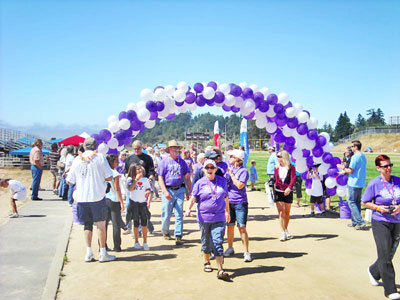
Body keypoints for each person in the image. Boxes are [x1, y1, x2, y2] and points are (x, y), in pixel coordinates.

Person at [66, 137, 116, 262]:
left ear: (84, 146)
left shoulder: (77, 159)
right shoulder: (99, 157)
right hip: (97, 196)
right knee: (101, 225)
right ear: (95, 147)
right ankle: (103, 253)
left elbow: (69, 181)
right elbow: (109, 176)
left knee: (87, 225)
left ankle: (88, 252)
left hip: (82, 197)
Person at [185, 159, 231, 281]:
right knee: (206, 242)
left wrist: (227, 212)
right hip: (204, 217)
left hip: (219, 217)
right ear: (204, 170)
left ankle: (220, 269)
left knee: (217, 241)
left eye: (212, 167)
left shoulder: (222, 181)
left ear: (216, 169)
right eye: (207, 168)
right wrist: (188, 209)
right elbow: (194, 197)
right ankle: (207, 262)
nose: (209, 170)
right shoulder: (199, 183)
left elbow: (226, 198)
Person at [362, 155, 400, 300]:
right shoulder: (374, 184)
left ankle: (373, 271)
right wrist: (378, 208)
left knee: (389, 253)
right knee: (384, 252)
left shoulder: (397, 181)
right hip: (381, 221)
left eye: (390, 165)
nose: (389, 168)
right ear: (378, 168)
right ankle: (390, 290)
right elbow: (365, 201)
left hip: (397, 221)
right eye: (385, 166)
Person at [157, 140, 192, 245]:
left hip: (180, 189)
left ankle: (178, 235)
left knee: (179, 213)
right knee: (166, 214)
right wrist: (165, 191)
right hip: (168, 190)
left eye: (177, 148)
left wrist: (189, 191)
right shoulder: (164, 162)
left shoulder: (182, 162)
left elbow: (187, 176)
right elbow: (160, 177)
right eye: (174, 148)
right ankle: (166, 231)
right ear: (169, 150)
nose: (176, 150)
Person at [224, 149, 252, 262]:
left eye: (230, 156)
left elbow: (240, 185)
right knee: (229, 226)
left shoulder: (243, 171)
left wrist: (231, 175)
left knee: (242, 227)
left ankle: (246, 252)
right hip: (229, 202)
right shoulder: (229, 171)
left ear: (236, 158)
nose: (228, 158)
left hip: (240, 202)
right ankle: (230, 248)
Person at [124, 140, 156, 231]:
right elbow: (126, 171)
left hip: (143, 185)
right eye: (135, 149)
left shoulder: (147, 158)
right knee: (129, 206)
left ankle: (143, 227)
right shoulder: (130, 158)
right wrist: (127, 177)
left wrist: (150, 178)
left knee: (142, 208)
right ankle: (129, 226)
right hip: (132, 185)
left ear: (142, 148)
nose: (136, 150)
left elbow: (151, 170)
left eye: (138, 149)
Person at [338, 140, 367, 230]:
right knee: (356, 202)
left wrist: (342, 167)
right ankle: (355, 221)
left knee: (351, 202)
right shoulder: (363, 156)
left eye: (352, 146)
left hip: (353, 182)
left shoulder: (355, 157)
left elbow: (350, 170)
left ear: (355, 147)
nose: (351, 148)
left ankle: (360, 221)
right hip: (361, 182)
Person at [126, 163, 153, 250]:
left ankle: (145, 242)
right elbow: (130, 188)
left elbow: (148, 189)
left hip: (142, 203)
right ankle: (136, 241)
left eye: (140, 169)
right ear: (133, 170)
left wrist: (148, 192)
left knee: (144, 223)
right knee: (136, 223)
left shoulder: (145, 180)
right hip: (134, 203)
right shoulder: (130, 179)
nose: (139, 170)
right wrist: (136, 180)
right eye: (137, 169)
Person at [105, 154, 126, 252]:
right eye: (116, 161)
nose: (118, 163)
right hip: (114, 199)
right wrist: (122, 202)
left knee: (104, 224)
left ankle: (103, 245)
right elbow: (117, 189)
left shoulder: (103, 173)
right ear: (112, 163)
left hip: (104, 199)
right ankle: (117, 246)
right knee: (116, 224)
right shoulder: (115, 173)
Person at [273, 150, 296, 241]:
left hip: (288, 191)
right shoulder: (276, 167)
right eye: (277, 156)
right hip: (278, 191)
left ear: (284, 157)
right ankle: (283, 232)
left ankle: (286, 229)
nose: (278, 158)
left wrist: (289, 188)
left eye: (279, 156)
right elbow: (275, 179)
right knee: (281, 212)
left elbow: (293, 178)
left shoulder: (291, 167)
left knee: (287, 212)